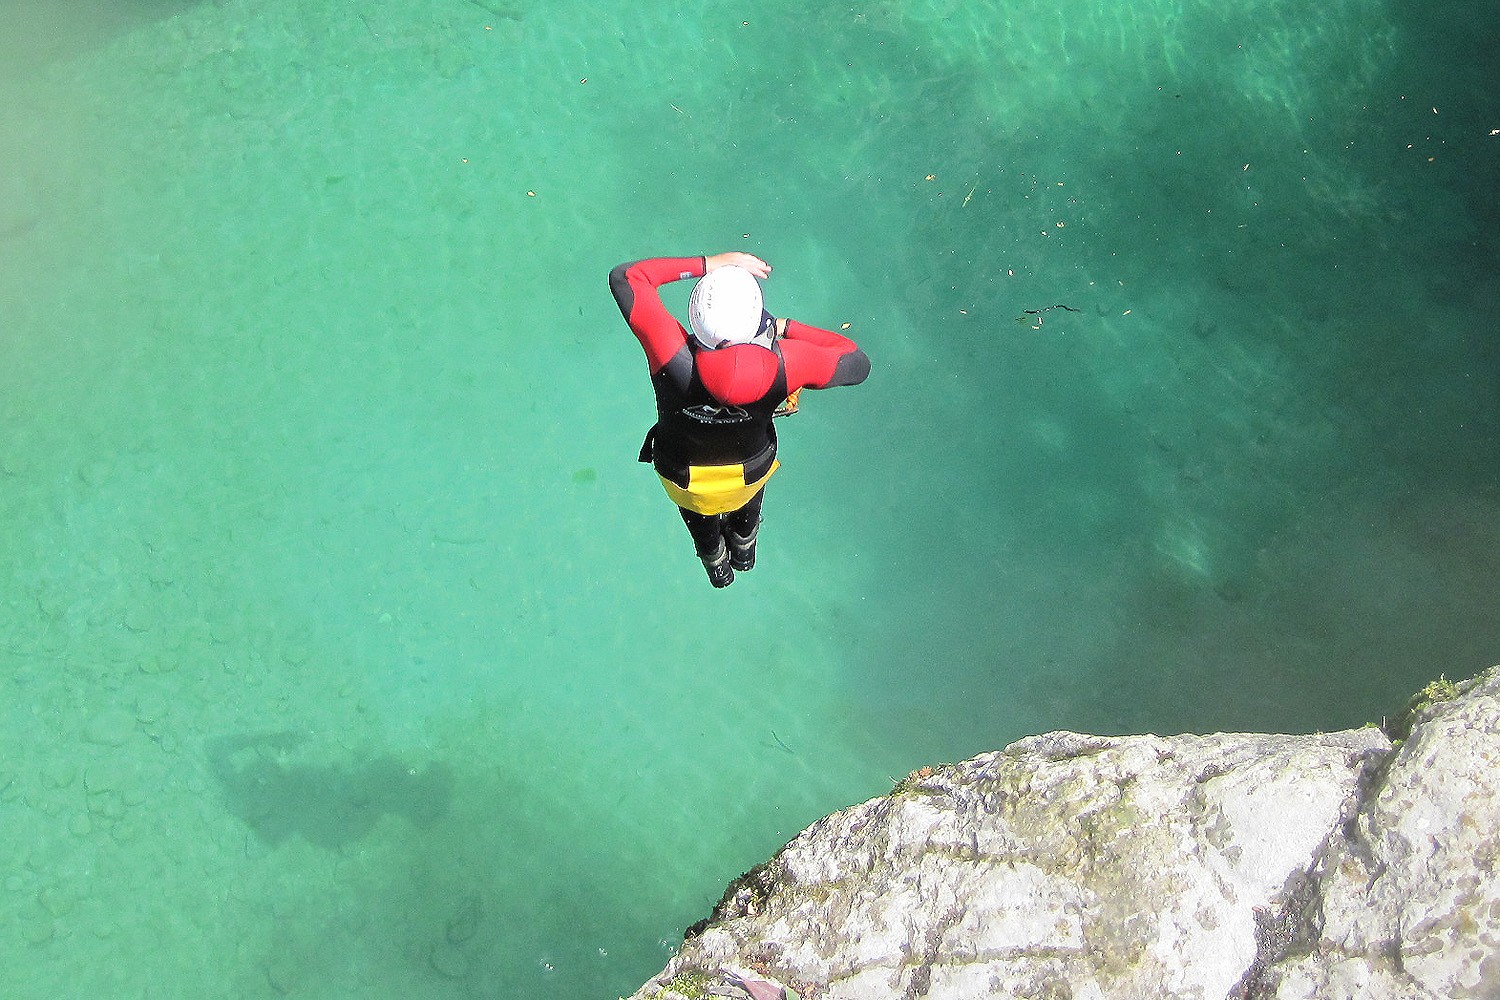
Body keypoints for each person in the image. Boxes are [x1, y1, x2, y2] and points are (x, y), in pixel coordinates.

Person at [609, 252, 870, 587]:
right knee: (747, 498)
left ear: (695, 317)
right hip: (749, 471)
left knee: (699, 516)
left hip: (683, 476)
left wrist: (712, 263)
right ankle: (744, 549)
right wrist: (785, 327)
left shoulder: (669, 352)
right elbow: (857, 363)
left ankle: (716, 564)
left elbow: (627, 277)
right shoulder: (789, 363)